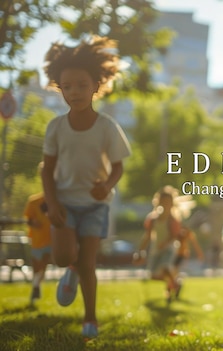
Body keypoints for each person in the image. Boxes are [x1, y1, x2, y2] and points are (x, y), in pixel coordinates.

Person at [41, 35, 131, 339]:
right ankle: (70, 270)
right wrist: (52, 204)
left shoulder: (107, 127)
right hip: (64, 203)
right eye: (67, 86)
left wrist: (105, 186)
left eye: (81, 85)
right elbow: (47, 170)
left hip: (95, 205)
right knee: (64, 258)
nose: (74, 92)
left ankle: (90, 319)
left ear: (96, 85)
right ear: (60, 88)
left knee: (88, 263)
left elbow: (118, 167)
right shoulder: (55, 127)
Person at [134, 186, 184, 304]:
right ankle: (175, 283)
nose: (166, 204)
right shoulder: (152, 219)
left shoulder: (172, 220)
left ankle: (174, 284)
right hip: (156, 248)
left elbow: (174, 236)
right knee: (153, 275)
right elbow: (147, 236)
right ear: (158, 202)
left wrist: (165, 243)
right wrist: (140, 251)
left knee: (165, 266)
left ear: (172, 204)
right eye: (163, 201)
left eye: (168, 202)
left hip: (169, 248)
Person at [23, 164, 53, 305]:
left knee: (44, 265)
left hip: (50, 240)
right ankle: (36, 286)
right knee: (37, 266)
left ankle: (36, 286)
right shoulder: (34, 201)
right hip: (37, 239)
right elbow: (28, 219)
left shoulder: (57, 201)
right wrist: (34, 224)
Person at [171, 226, 204, 299]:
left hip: (181, 255)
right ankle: (176, 287)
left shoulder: (186, 231)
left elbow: (194, 243)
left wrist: (199, 253)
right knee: (173, 274)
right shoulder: (174, 228)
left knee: (174, 273)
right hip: (174, 255)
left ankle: (176, 287)